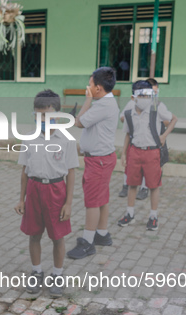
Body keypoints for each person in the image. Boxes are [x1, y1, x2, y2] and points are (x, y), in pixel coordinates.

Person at [14, 89, 79, 297]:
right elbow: (24, 171)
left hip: (56, 191)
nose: (43, 119)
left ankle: (58, 274)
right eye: (38, 115)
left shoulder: (66, 140)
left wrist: (68, 203)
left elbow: (71, 173)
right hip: (34, 190)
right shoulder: (29, 138)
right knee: (34, 234)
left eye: (47, 115)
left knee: (57, 237)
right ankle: (37, 271)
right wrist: (21, 199)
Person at [67, 67, 119, 259]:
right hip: (102, 158)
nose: (87, 87)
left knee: (92, 202)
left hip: (99, 161)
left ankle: (88, 243)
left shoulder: (102, 105)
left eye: (90, 84)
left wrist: (87, 99)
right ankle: (102, 234)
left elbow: (79, 122)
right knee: (101, 198)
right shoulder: (106, 102)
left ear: (97, 87)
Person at [118, 80, 177, 231]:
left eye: (147, 95)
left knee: (153, 185)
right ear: (134, 97)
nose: (145, 98)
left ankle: (153, 216)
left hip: (152, 152)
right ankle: (130, 213)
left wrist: (163, 136)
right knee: (132, 184)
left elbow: (174, 119)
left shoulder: (156, 108)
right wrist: (123, 153)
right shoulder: (129, 112)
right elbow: (127, 134)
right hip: (135, 151)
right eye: (141, 95)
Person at [117, 77, 161, 199]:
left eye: (156, 92)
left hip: (149, 143)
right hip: (133, 140)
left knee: (147, 168)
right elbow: (122, 117)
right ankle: (126, 185)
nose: (154, 95)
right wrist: (132, 119)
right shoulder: (132, 104)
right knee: (130, 166)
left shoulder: (155, 106)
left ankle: (144, 188)